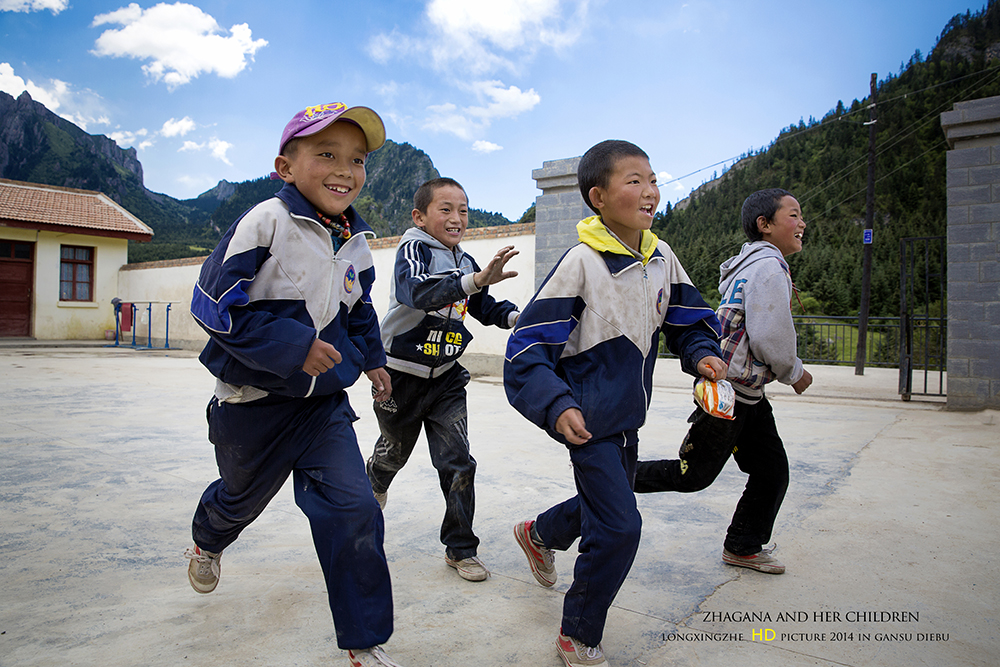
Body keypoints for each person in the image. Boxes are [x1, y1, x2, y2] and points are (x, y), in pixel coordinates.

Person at [185, 102, 404, 667]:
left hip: (322, 409)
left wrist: (374, 361)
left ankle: (363, 640)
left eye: (356, 159)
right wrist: (292, 347)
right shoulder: (265, 222)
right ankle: (209, 538)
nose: (344, 169)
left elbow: (358, 315)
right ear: (286, 166)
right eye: (326, 154)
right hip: (251, 407)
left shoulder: (355, 242)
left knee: (355, 510)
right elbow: (211, 305)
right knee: (239, 498)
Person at [504, 140, 725, 667]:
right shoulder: (580, 264)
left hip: (629, 420)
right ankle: (576, 633)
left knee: (606, 505)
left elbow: (689, 321)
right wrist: (556, 404)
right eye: (633, 180)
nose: (649, 190)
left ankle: (537, 534)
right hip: (588, 422)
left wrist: (704, 356)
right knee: (620, 526)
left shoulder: (661, 256)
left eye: (652, 179)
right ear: (597, 196)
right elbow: (527, 348)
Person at [634, 187, 814, 576]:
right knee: (692, 475)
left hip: (746, 393)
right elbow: (770, 336)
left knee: (771, 470)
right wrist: (795, 372)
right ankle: (613, 476)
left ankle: (744, 545)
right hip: (729, 395)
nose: (802, 223)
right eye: (794, 215)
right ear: (765, 225)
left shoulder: (752, 265)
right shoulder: (769, 267)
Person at [366, 177, 520, 582]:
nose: (457, 218)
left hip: (447, 380)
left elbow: (481, 302)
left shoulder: (466, 261)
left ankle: (461, 547)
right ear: (420, 216)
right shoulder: (412, 248)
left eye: (464, 210)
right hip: (399, 377)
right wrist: (474, 281)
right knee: (393, 453)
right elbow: (417, 292)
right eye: (446, 209)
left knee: (458, 462)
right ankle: (375, 480)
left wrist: (515, 318)